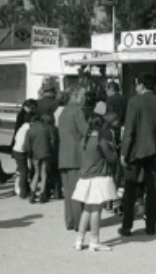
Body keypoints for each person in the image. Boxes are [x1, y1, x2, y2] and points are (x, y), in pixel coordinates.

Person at [118, 73, 156, 236]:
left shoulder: (134, 101)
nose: (135, 87)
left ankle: (127, 226)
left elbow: (129, 130)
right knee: (152, 189)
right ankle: (151, 226)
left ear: (141, 85)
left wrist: (124, 152)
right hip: (154, 149)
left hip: (136, 151)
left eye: (136, 84)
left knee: (131, 189)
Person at [72, 114, 118, 251]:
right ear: (102, 125)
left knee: (87, 209)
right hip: (98, 178)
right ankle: (94, 241)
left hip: (85, 177)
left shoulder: (83, 141)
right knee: (96, 211)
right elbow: (112, 158)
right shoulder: (101, 141)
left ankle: (79, 240)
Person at [58, 85, 88, 231]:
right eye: (83, 96)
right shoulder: (77, 111)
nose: (84, 99)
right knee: (77, 191)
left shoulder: (63, 111)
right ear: (76, 96)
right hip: (75, 156)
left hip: (64, 155)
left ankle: (70, 220)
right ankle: (79, 222)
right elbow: (85, 131)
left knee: (68, 191)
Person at [24, 114, 56, 204]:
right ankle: (42, 194)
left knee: (36, 173)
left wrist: (29, 156)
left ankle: (32, 194)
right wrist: (51, 151)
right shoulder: (46, 129)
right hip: (46, 153)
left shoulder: (30, 131)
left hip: (35, 155)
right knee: (44, 173)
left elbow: (27, 146)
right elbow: (52, 141)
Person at [12, 111, 37, 199]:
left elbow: (16, 138)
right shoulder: (28, 129)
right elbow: (27, 143)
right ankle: (22, 192)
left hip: (16, 149)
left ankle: (19, 188)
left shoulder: (22, 127)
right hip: (21, 151)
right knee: (24, 171)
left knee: (21, 169)